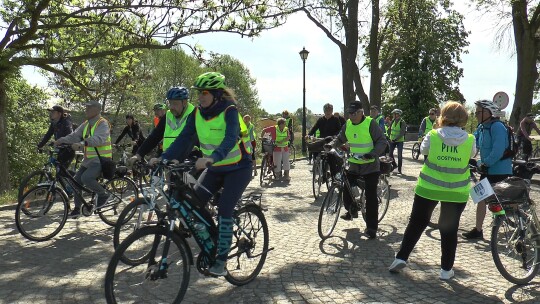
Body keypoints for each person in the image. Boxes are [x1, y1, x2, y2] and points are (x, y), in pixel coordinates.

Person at [155, 72, 253, 276]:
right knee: (194, 203)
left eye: (204, 93)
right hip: (215, 168)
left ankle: (221, 261)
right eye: (198, 93)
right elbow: (184, 138)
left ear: (217, 94)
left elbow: (230, 138)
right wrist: (163, 157)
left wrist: (212, 157)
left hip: (238, 168)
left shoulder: (230, 110)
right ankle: (215, 237)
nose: (200, 97)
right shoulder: (197, 113)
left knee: (225, 209)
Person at [388, 101, 476, 280]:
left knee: (416, 223)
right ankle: (446, 270)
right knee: (449, 229)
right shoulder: (470, 139)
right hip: (456, 191)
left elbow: (423, 150)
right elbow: (471, 156)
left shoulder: (433, 134)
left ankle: (401, 257)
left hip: (429, 188)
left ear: (443, 116)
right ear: (463, 119)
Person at [327, 101, 387, 239]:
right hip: (354, 164)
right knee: (347, 189)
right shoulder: (348, 124)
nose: (351, 115)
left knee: (371, 196)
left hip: (370, 165)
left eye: (354, 113)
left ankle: (372, 227)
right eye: (349, 113)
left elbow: (382, 141)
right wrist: (331, 145)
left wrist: (372, 153)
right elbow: (340, 137)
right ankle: (351, 210)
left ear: (361, 112)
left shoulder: (370, 123)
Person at [462, 100, 513, 239]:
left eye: (479, 112)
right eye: (476, 112)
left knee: (500, 202)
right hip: (487, 170)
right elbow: (472, 141)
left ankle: (510, 225)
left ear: (489, 113)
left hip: (500, 170)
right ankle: (478, 230)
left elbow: (498, 150)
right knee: (480, 198)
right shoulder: (482, 127)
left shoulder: (497, 127)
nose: (476, 114)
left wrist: (485, 163)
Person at [54, 100, 112, 218]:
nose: (86, 110)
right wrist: (60, 140)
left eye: (89, 108)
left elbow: (98, 139)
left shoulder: (103, 123)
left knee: (86, 178)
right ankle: (77, 209)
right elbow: (74, 135)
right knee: (76, 181)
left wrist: (82, 143)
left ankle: (103, 194)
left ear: (96, 110)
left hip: (100, 159)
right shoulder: (86, 123)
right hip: (88, 160)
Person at [129, 87, 196, 163]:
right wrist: (139, 154)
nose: (171, 107)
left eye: (175, 104)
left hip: (188, 159)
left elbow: (186, 139)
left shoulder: (194, 114)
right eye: (170, 103)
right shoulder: (168, 115)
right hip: (168, 159)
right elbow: (155, 136)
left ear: (184, 102)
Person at [37, 105, 75, 170]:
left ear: (59, 114)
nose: (51, 114)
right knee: (57, 170)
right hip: (60, 149)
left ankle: (72, 179)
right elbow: (48, 135)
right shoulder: (54, 123)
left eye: (53, 112)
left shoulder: (66, 123)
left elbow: (70, 136)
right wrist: (40, 145)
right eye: (51, 112)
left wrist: (61, 143)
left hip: (68, 150)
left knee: (61, 172)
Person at [388, 109, 406, 174]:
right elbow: (389, 129)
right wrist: (389, 137)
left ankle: (399, 169)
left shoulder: (402, 122)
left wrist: (395, 139)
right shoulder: (393, 121)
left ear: (397, 114)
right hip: (392, 140)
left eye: (394, 114)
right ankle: (394, 165)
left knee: (399, 155)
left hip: (399, 141)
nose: (393, 115)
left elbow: (402, 133)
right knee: (390, 154)